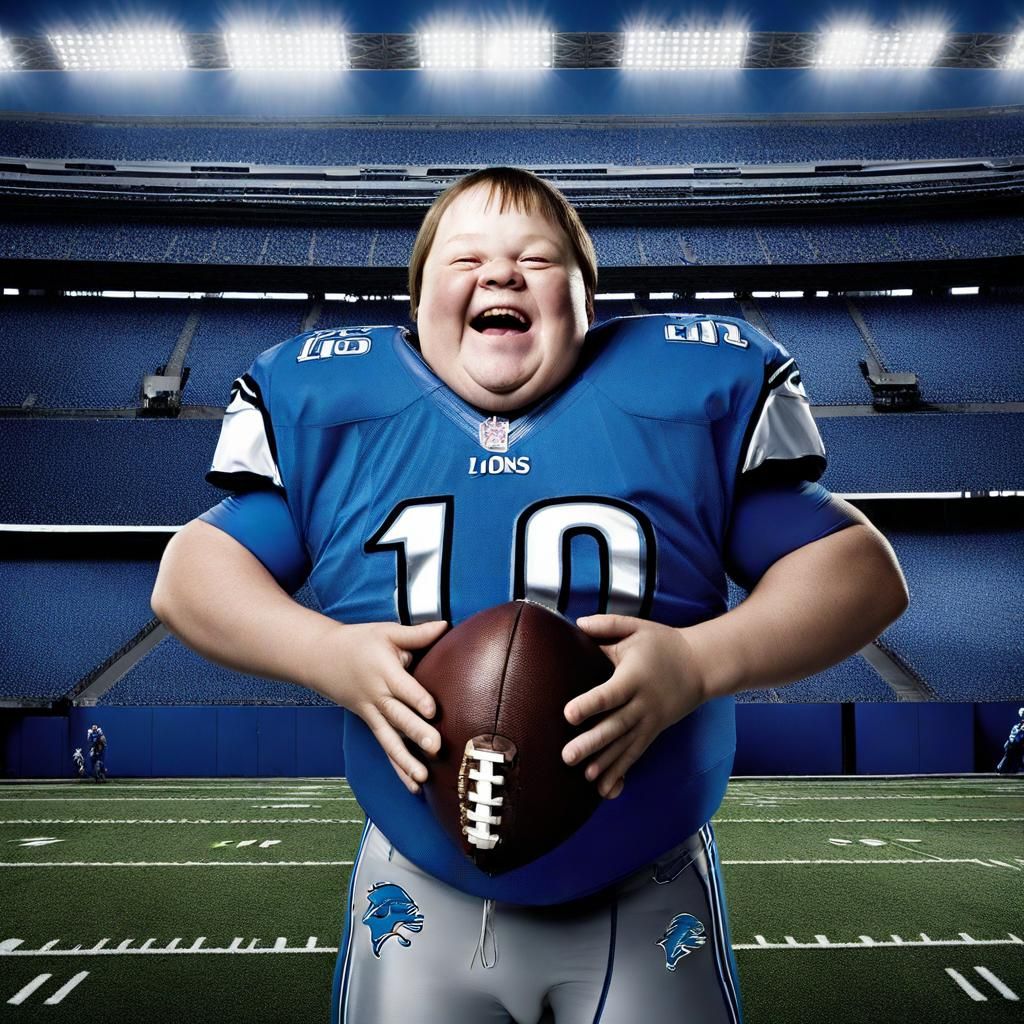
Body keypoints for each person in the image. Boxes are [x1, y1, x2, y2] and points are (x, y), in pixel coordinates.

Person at [152, 167, 908, 1023]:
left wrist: (699, 661)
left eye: (538, 260)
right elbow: (191, 574)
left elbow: (859, 569)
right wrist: (325, 652)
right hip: (418, 886)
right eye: (464, 257)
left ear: (590, 305)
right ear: (415, 304)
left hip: (643, 880)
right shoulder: (339, 410)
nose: (502, 273)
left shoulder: (678, 399)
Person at [996, 708, 1024, 774]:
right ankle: (1000, 769)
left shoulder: (1018, 727)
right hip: (1012, 744)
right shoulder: (1016, 727)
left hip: (1016, 745)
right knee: (1008, 757)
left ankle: (1013, 770)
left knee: (1016, 759)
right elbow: (1014, 736)